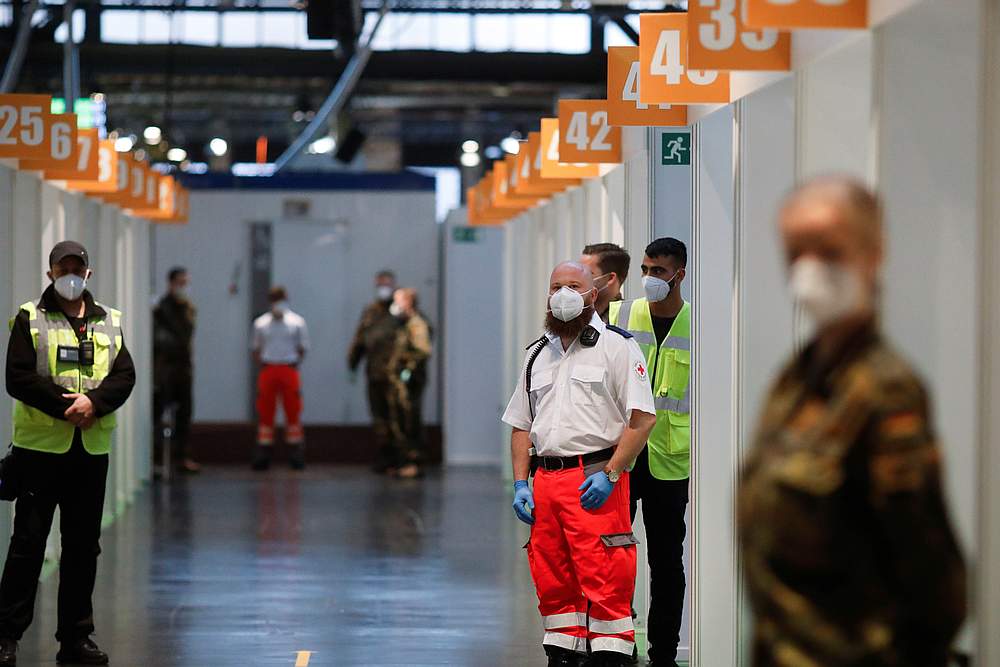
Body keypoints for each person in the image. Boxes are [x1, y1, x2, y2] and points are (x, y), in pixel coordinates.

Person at [739, 177, 966, 666]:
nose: (809, 266)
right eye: (796, 250)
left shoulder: (884, 390)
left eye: (828, 248)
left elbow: (930, 573)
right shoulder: (799, 378)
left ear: (873, 251)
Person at [503, 261, 657, 667]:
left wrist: (612, 473)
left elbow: (642, 420)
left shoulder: (618, 348)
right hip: (547, 482)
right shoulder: (538, 354)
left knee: (605, 573)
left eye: (574, 285)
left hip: (596, 477)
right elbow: (521, 425)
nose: (564, 293)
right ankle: (562, 652)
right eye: (556, 286)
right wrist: (522, 484)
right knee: (552, 573)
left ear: (594, 293)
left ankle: (611, 656)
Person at [0, 240, 135, 666]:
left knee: (82, 548)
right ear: (50, 273)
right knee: (28, 544)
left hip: (89, 451)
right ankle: (6, 637)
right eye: (63, 268)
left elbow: (124, 376)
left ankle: (75, 639)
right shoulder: (30, 318)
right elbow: (18, 378)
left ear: (88, 274)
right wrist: (68, 407)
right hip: (40, 450)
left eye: (77, 268)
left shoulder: (109, 321)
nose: (70, 275)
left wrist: (95, 404)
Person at [608, 237, 691, 667]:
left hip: (670, 463)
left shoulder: (700, 324)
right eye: (644, 269)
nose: (649, 279)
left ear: (679, 274)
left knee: (666, 562)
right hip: (622, 457)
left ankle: (664, 653)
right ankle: (618, 642)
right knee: (614, 555)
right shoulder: (621, 315)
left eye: (658, 271)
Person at [348, 271, 404, 474]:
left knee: (398, 416)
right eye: (379, 284)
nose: (383, 289)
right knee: (379, 416)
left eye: (386, 284)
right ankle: (385, 456)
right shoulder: (371, 311)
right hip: (374, 372)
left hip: (396, 375)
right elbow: (360, 338)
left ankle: (402, 458)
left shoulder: (401, 310)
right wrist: (352, 362)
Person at [251, 286, 309, 471]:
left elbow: (302, 347)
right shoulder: (261, 323)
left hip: (288, 368)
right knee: (265, 411)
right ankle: (264, 452)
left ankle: (295, 452)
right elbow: (256, 349)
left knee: (293, 410)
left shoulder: (297, 322)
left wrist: (292, 362)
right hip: (269, 369)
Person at [153, 266, 199, 475]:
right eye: (180, 282)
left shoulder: (188, 308)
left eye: (185, 283)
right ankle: (157, 458)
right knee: (159, 411)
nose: (183, 287)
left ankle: (182, 457)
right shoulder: (162, 308)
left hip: (184, 367)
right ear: (170, 283)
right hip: (166, 367)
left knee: (185, 413)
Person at [386, 288, 433, 479]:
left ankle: (414, 463)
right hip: (401, 383)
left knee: (410, 421)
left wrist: (407, 367)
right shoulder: (404, 325)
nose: (395, 305)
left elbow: (423, 351)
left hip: (410, 382)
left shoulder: (417, 325)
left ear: (407, 303)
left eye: (398, 301)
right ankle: (404, 461)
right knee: (401, 422)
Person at [580, 243, 631, 323]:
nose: (578, 279)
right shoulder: (576, 316)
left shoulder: (627, 318)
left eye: (587, 273)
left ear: (610, 278)